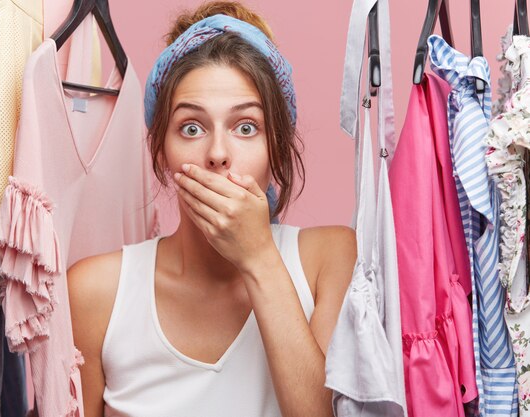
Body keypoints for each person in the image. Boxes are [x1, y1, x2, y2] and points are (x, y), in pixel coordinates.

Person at [68, 2, 356, 416]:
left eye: (245, 127)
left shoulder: (330, 258)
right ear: (161, 151)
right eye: (191, 127)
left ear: (274, 145)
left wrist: (258, 257)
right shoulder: (96, 291)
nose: (218, 153)